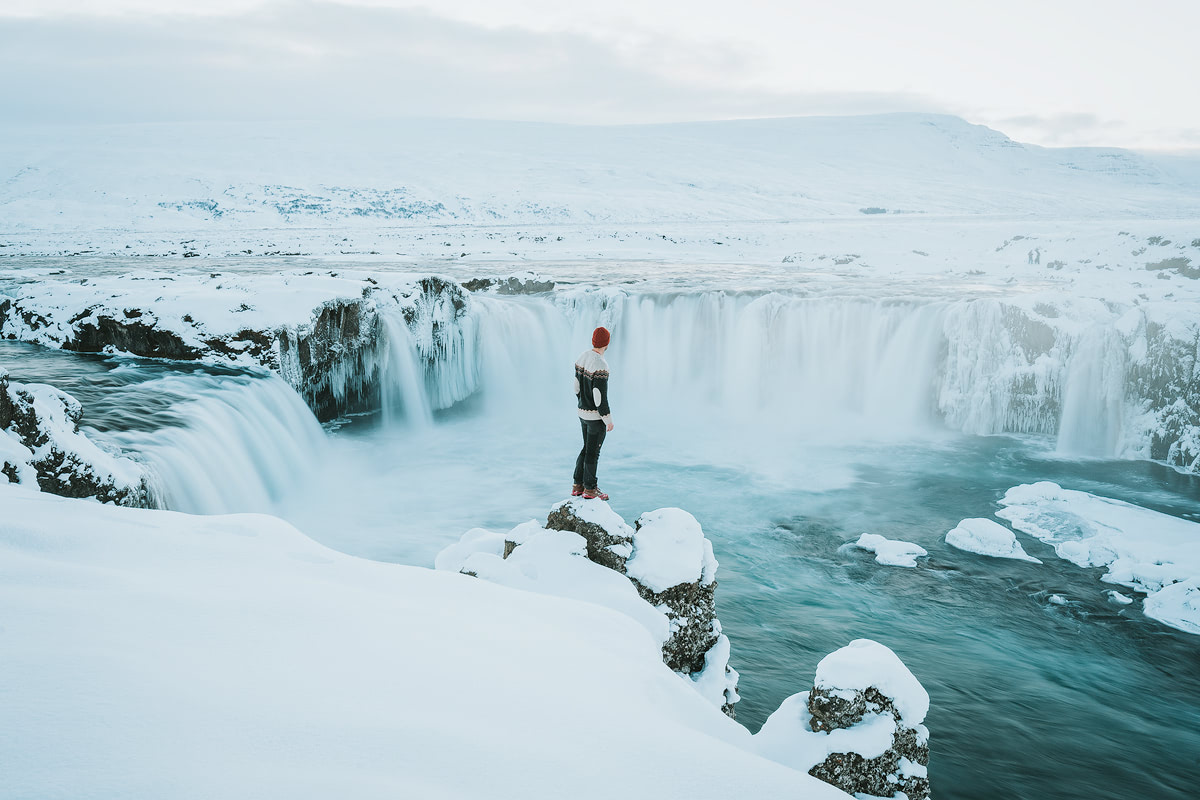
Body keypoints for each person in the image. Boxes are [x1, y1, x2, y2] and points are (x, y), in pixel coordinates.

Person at [572, 326, 614, 501]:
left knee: (585, 449)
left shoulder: (583, 357)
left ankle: (577, 485)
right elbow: (599, 396)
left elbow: (576, 385)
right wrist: (607, 419)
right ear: (607, 343)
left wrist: (582, 402)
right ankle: (590, 489)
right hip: (595, 418)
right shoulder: (600, 364)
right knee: (592, 453)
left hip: (582, 413)